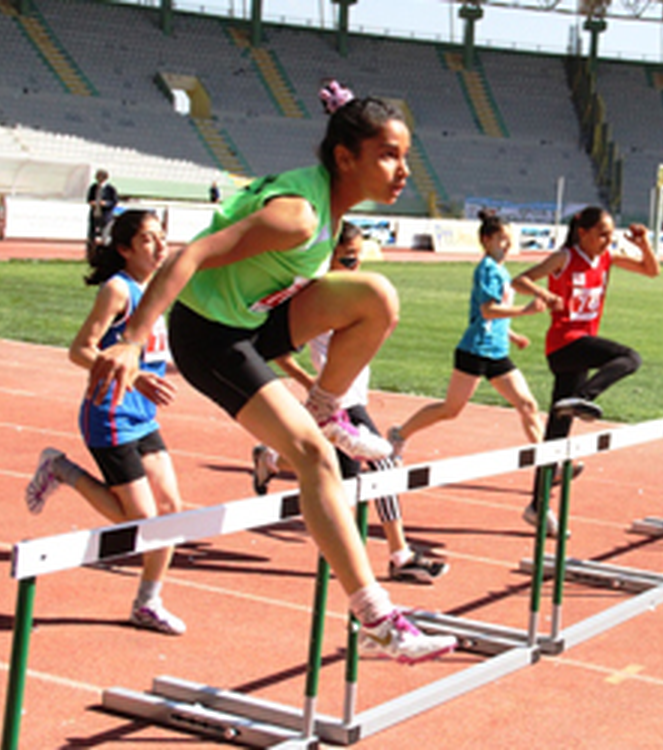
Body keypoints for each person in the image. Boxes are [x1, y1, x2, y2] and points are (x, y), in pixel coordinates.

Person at [87, 81, 456, 665]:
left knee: (377, 298)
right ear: (344, 158)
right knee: (313, 458)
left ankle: (326, 407)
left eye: (404, 155)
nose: (404, 169)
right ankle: (378, 617)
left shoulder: (330, 202)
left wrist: (348, 116)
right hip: (210, 335)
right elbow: (192, 254)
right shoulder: (298, 218)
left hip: (257, 319)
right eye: (389, 154)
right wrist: (133, 339)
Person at [253, 222, 447, 585]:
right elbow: (277, 351)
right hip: (338, 402)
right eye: (348, 260)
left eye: (359, 260)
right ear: (328, 260)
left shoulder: (353, 294)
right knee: (383, 460)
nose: (356, 267)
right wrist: (313, 383)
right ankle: (399, 554)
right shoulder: (314, 297)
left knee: (341, 476)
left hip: (345, 400)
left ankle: (271, 458)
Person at [25, 209, 187, 635]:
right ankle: (60, 468)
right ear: (125, 249)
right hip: (109, 414)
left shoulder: (156, 291)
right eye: (149, 239)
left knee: (170, 512)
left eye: (162, 236)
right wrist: (135, 377)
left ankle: (147, 603)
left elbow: (154, 352)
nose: (160, 245)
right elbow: (80, 350)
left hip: (143, 415)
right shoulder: (119, 290)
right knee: (142, 522)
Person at [511, 207, 660, 532]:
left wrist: (644, 243)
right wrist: (544, 293)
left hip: (580, 348)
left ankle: (537, 506)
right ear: (583, 232)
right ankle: (584, 397)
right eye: (602, 234)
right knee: (629, 358)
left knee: (557, 434)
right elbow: (519, 280)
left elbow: (651, 271)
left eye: (611, 234)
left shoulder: (607, 258)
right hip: (564, 345)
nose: (608, 240)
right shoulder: (564, 257)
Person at [386, 210, 546, 459]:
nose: (508, 244)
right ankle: (399, 434)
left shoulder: (502, 272)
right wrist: (526, 311)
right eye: (502, 239)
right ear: (486, 240)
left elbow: (488, 316)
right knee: (450, 410)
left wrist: (512, 335)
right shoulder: (487, 270)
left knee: (528, 405)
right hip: (475, 350)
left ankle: (548, 464)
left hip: (497, 351)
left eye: (509, 239)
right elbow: (487, 310)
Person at [86, 169, 118, 259]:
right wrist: (92, 203)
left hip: (105, 216)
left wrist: (106, 203)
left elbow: (114, 201)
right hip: (95, 214)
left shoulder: (110, 189)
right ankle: (91, 255)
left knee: (105, 236)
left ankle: (105, 256)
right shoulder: (93, 187)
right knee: (92, 236)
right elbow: (89, 199)